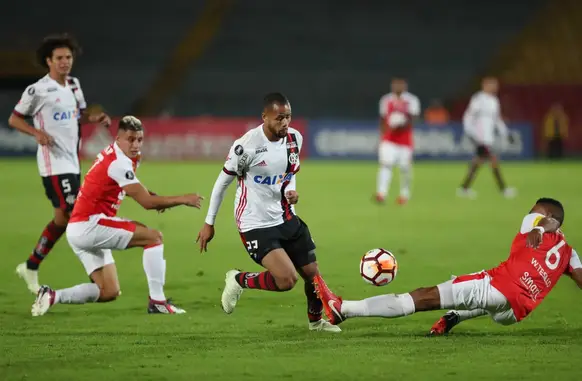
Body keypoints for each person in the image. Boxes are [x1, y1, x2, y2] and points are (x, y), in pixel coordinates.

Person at [314, 198, 582, 335]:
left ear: (546, 215)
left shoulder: (534, 222)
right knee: (483, 298)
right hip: (515, 313)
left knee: (422, 297)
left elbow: (551, 222)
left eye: (535, 210)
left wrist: (541, 226)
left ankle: (344, 309)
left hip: (498, 287)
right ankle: (456, 315)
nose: (529, 212)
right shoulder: (571, 255)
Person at [31, 116, 204, 316]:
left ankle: (52, 296)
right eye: (130, 139)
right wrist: (183, 199)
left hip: (78, 229)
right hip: (91, 225)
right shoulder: (119, 163)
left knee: (108, 291)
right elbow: (146, 203)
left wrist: (153, 197)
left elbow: (131, 189)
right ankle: (157, 301)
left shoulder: (116, 155)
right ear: (118, 138)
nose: (136, 144)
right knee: (153, 238)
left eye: (139, 139)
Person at [196, 93, 340, 332]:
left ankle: (316, 323)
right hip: (254, 223)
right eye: (279, 118)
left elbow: (290, 173)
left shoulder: (295, 138)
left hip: (285, 215)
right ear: (264, 117)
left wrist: (291, 192)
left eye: (288, 117)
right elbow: (222, 183)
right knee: (286, 280)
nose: (285, 123)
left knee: (313, 276)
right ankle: (238, 279)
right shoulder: (247, 146)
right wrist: (209, 222)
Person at [10, 33, 111, 294]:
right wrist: (37, 133)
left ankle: (31, 265)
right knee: (76, 213)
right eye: (59, 58)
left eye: (68, 57)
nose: (65, 62)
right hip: (54, 164)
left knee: (62, 219)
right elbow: (15, 119)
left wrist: (94, 118)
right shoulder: (37, 90)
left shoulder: (74, 85)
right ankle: (98, 272)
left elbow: (77, 115)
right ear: (48, 61)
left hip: (72, 162)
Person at [458, 77, 516, 199]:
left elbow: (497, 120)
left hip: (488, 138)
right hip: (479, 137)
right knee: (493, 161)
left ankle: (464, 188)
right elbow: (468, 116)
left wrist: (506, 133)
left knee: (478, 162)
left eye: (495, 85)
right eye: (492, 85)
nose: (495, 87)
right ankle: (503, 189)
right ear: (484, 85)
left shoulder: (494, 101)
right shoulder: (478, 99)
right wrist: (470, 133)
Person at [376, 78, 420, 205]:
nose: (397, 87)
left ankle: (404, 194)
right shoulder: (386, 100)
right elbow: (383, 119)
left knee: (405, 168)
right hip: (389, 139)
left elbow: (415, 118)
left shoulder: (411, 100)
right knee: (385, 164)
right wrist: (382, 136)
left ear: (405, 86)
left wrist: (402, 123)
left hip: (405, 140)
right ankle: (381, 193)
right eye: (395, 85)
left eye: (400, 85)